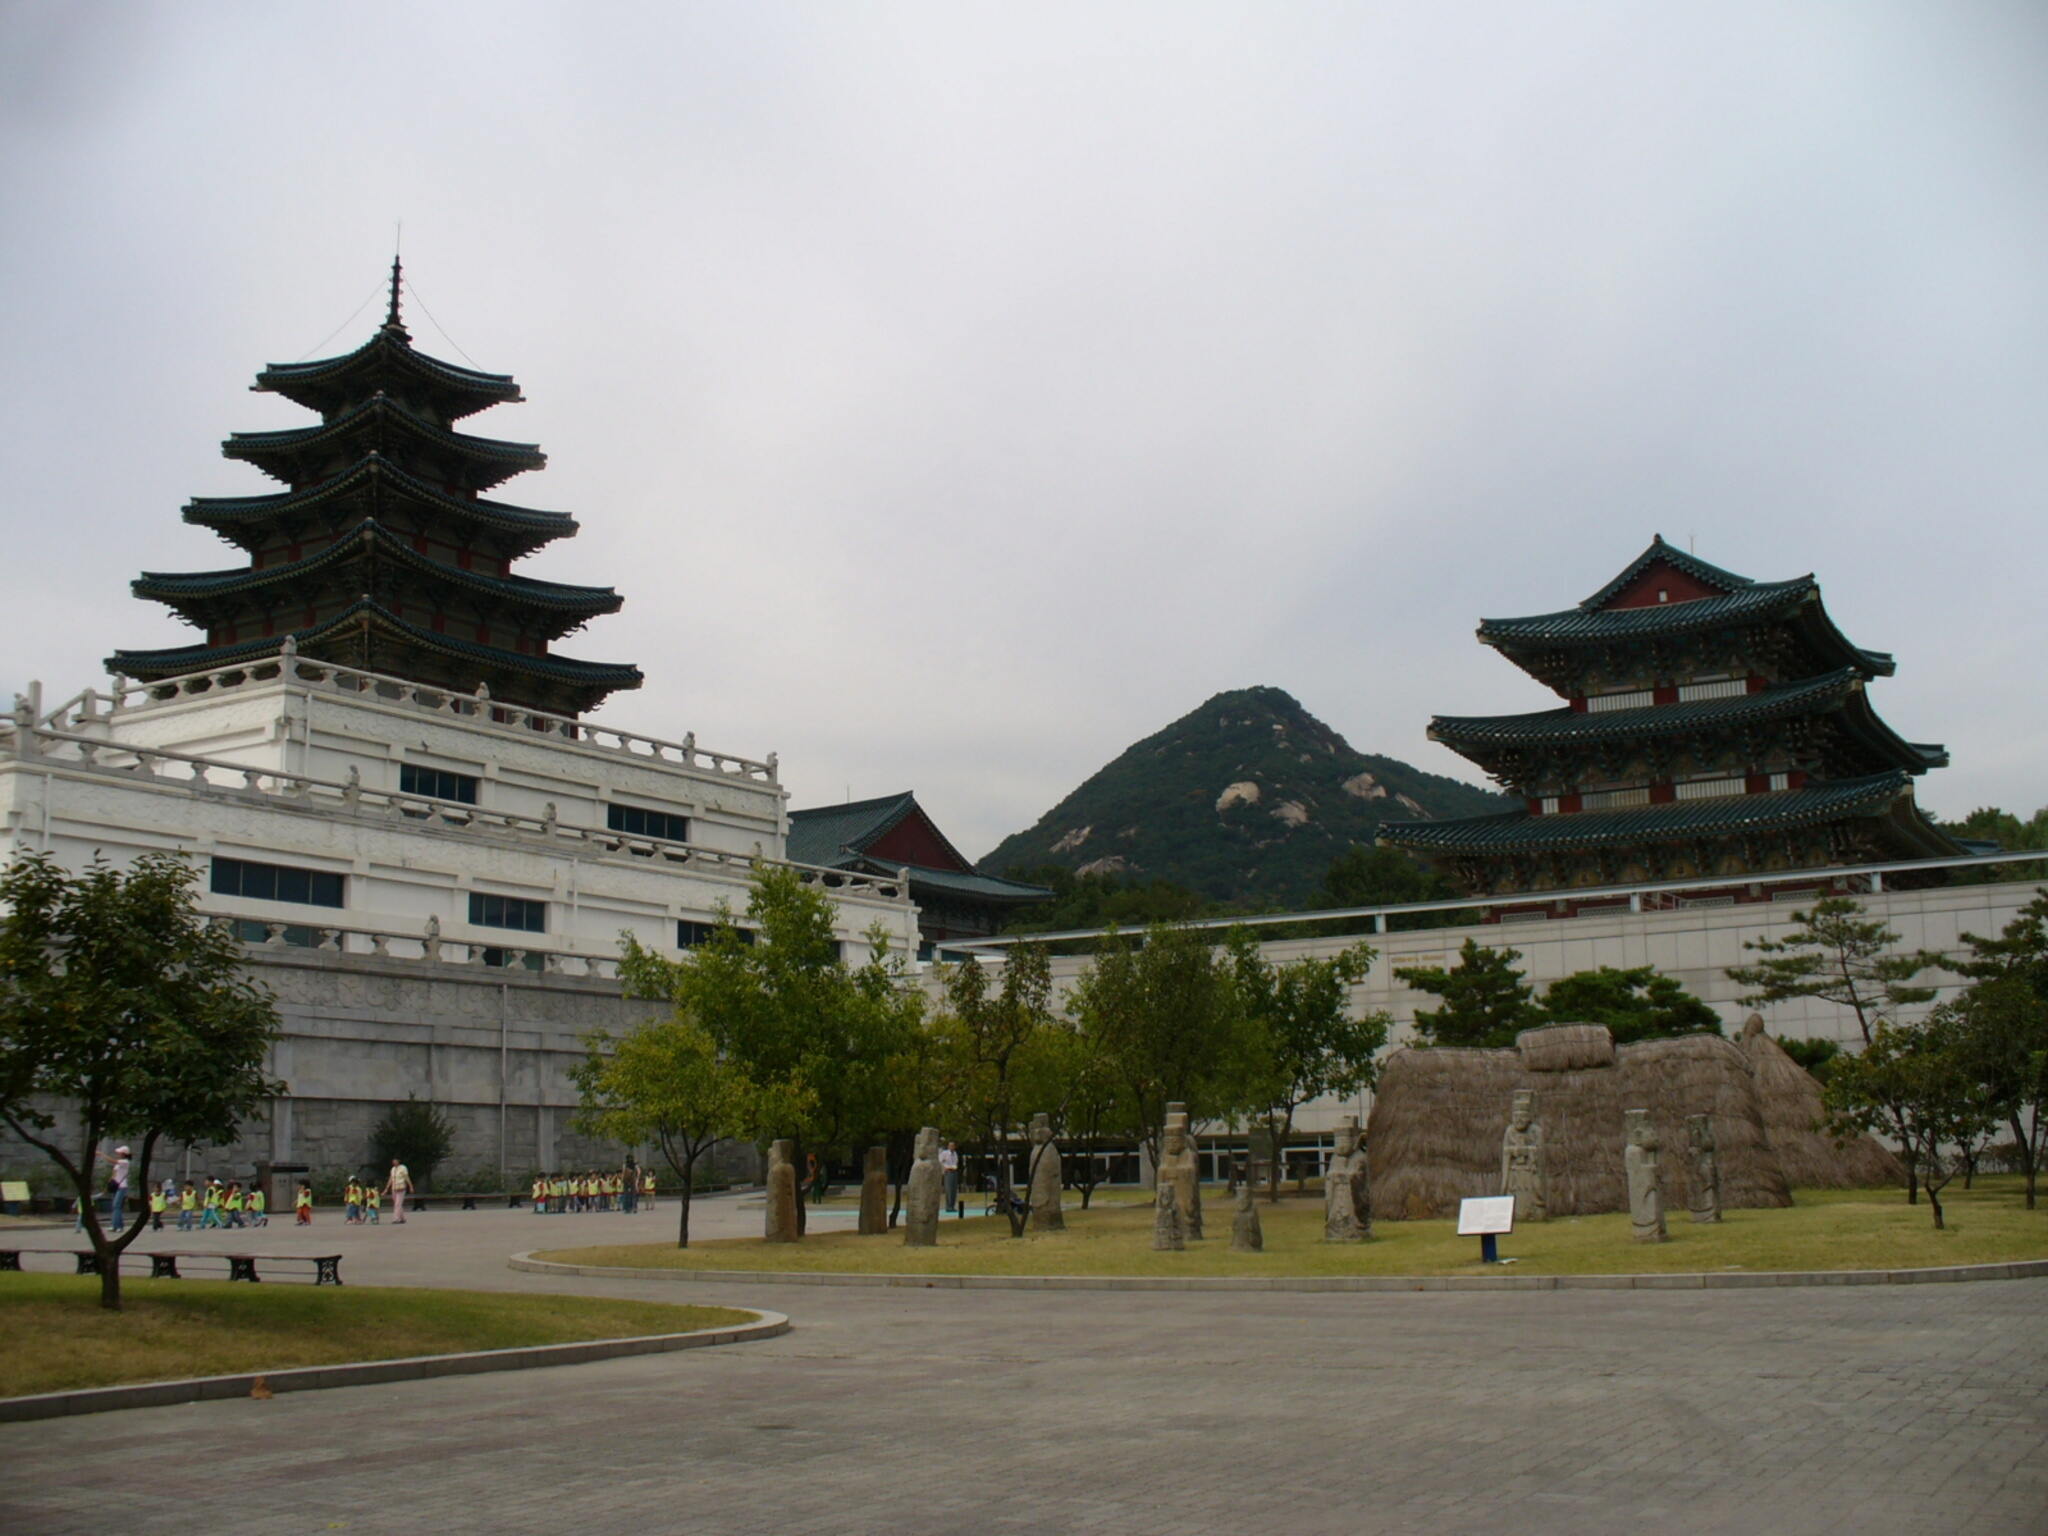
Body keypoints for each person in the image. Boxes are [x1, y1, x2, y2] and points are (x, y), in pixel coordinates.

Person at [386, 1158, 411, 1224]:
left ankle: (396, 1219)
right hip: (394, 1188)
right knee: (397, 1204)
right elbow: (391, 1179)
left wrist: (411, 1186)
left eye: (395, 1161)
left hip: (401, 1188)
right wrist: (386, 1188)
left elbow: (406, 1177)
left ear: (398, 1161)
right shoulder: (393, 1169)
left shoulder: (403, 1168)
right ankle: (402, 1218)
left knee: (398, 1204)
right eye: (393, 1161)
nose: (394, 1162)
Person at [940, 1141, 961, 1214]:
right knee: (949, 1189)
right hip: (948, 1171)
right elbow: (940, 1161)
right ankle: (948, 1206)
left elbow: (956, 1162)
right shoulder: (945, 1153)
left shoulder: (955, 1153)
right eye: (950, 1146)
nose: (952, 1147)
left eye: (953, 1146)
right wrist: (943, 1169)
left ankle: (952, 1206)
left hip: (954, 1171)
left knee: (954, 1190)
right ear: (948, 1146)